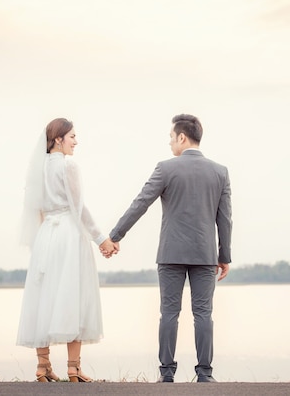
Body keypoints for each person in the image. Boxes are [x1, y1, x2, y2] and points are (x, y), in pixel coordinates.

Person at [104, 114, 232, 383]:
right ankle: (205, 374)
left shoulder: (165, 168)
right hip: (205, 255)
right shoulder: (220, 172)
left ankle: (166, 374)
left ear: (182, 137)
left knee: (169, 313)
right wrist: (224, 256)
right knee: (204, 314)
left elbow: (141, 203)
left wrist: (116, 235)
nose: (170, 143)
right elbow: (225, 219)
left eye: (171, 138)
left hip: (171, 254)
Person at [16, 118, 116, 383]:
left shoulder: (37, 169)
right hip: (69, 234)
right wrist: (101, 238)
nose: (76, 141)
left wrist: (42, 237)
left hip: (46, 234)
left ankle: (43, 366)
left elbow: (35, 209)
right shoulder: (68, 165)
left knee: (43, 296)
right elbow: (78, 208)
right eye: (72, 136)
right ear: (58, 139)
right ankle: (73, 368)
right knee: (75, 294)